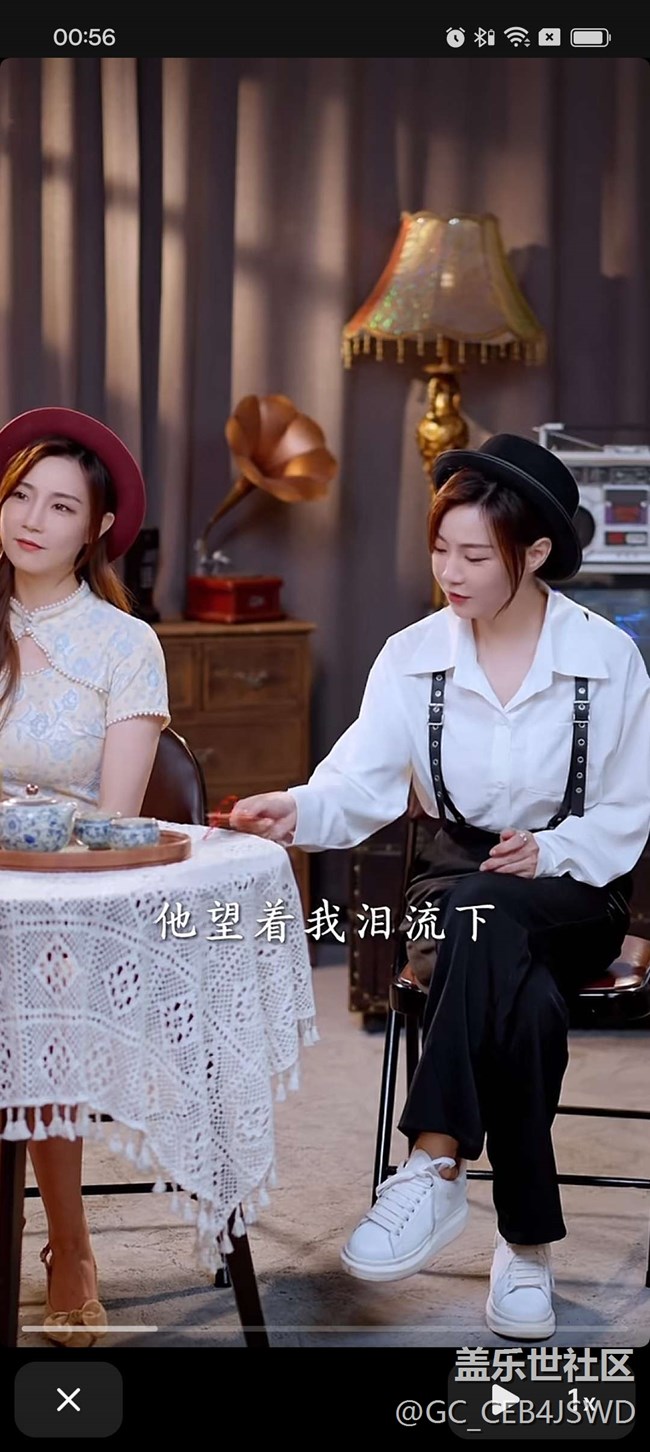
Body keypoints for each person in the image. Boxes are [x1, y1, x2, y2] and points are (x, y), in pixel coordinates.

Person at [228, 433, 650, 1340]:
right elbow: (359, 782)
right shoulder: (412, 655)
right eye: (440, 550)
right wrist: (294, 809)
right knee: (523, 1000)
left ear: (535, 553)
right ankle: (526, 1247)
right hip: (456, 881)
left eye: (475, 556)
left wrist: (554, 850)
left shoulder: (605, 657)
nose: (450, 573)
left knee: (489, 919)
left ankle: (434, 1160)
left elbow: (631, 807)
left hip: (573, 889)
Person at [0, 406, 170, 1346]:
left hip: (69, 897)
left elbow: (115, 818)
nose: (32, 519)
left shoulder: (123, 644)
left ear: (98, 527)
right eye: (20, 495)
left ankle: (69, 1243)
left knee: (35, 995)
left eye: (60, 505)